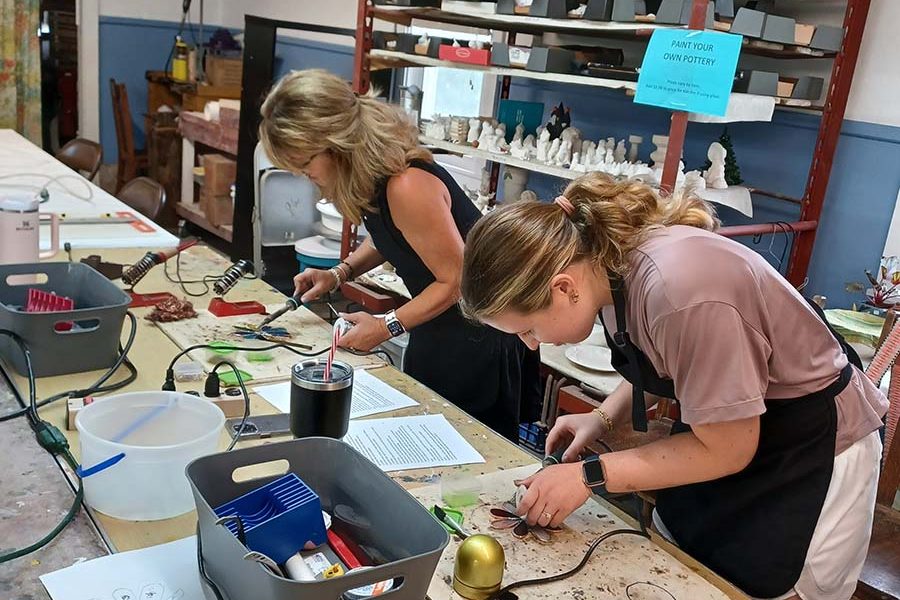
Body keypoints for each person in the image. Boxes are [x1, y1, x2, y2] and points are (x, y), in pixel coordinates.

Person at [459, 173, 887, 600]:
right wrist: (603, 416)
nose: (531, 343)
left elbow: (729, 447)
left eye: (528, 328)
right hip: (730, 427)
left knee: (764, 585)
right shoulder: (605, 267)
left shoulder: (682, 289)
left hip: (809, 447)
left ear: (564, 287)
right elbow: (674, 362)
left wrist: (590, 476)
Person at [258, 69, 540, 440]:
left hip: (476, 342)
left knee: (462, 461)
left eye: (305, 163)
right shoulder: (374, 176)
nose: (304, 175)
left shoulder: (406, 184)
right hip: (439, 330)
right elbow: (391, 237)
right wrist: (340, 274)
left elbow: (455, 281)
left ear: (335, 143)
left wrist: (384, 326)